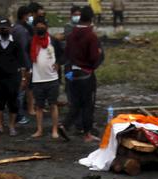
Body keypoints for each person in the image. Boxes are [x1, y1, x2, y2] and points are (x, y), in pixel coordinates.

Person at [65, 7, 103, 141]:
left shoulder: (71, 35)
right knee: (88, 104)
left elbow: (67, 53)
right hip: (86, 73)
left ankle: (65, 125)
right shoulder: (91, 36)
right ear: (91, 19)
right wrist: (97, 55)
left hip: (74, 72)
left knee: (76, 102)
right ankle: (87, 133)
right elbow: (94, 57)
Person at [0, 18, 27, 135]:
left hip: (13, 78)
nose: (3, 30)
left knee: (13, 102)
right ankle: (0, 126)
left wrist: (23, 78)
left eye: (5, 28)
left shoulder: (16, 44)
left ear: (10, 28)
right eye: (1, 28)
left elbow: (22, 62)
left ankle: (11, 126)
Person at [29, 19, 64, 139]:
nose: (40, 28)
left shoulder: (53, 41)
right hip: (37, 79)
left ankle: (54, 129)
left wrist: (59, 63)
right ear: (34, 28)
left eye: (42, 26)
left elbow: (62, 54)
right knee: (39, 106)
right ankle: (39, 130)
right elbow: (26, 56)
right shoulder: (31, 42)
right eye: (37, 26)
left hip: (52, 79)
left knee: (53, 105)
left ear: (46, 27)